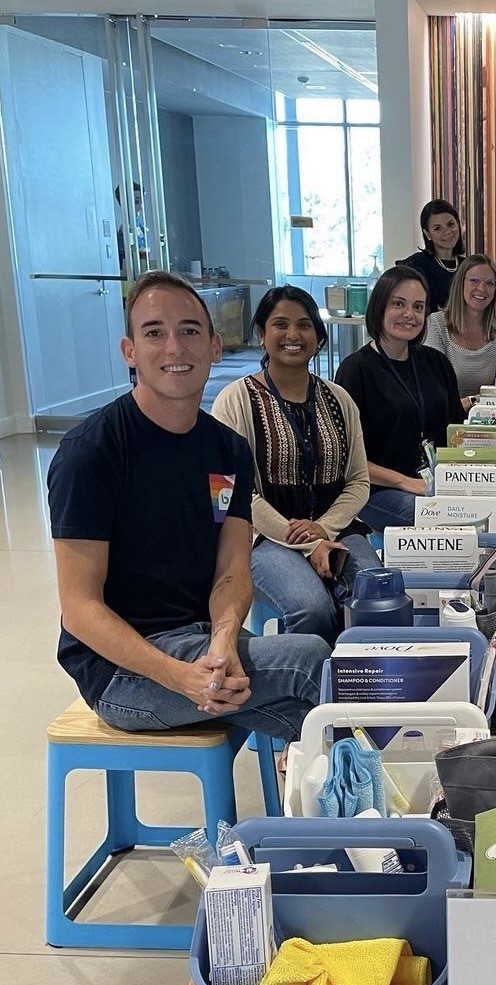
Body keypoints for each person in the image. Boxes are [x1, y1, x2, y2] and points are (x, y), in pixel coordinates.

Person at [46, 270, 330, 741]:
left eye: (190, 331)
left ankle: (370, 802)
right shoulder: (92, 453)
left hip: (201, 641)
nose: (175, 348)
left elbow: (232, 570)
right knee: (313, 663)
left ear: (215, 346)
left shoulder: (226, 451)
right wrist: (179, 676)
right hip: (122, 670)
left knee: (323, 724)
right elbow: (79, 609)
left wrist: (223, 640)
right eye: (155, 333)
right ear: (130, 351)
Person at [211, 285, 379, 642]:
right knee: (312, 608)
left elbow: (359, 482)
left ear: (318, 338)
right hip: (259, 537)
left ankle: (362, 687)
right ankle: (306, 692)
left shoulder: (340, 399)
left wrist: (326, 530)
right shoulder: (233, 401)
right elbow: (226, 493)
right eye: (280, 324)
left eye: (304, 325)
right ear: (262, 334)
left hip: (336, 527)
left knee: (373, 598)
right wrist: (307, 543)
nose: (293, 335)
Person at [335, 266, 464, 530]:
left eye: (418, 307)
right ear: (380, 307)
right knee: (447, 521)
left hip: (436, 484)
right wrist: (405, 482)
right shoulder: (356, 369)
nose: (409, 314)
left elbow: (456, 432)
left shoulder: (436, 363)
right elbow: (345, 459)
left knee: (490, 507)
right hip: (378, 491)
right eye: (398, 304)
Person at [425, 255, 496, 407]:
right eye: (474, 280)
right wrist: (472, 401)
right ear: (460, 283)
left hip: (491, 416)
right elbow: (435, 388)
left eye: (489, 283)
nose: (482, 289)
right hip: (444, 418)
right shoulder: (436, 323)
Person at [398, 199, 466, 314]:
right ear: (427, 233)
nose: (448, 232)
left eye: (450, 224)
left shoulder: (468, 265)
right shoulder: (416, 265)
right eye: (437, 228)